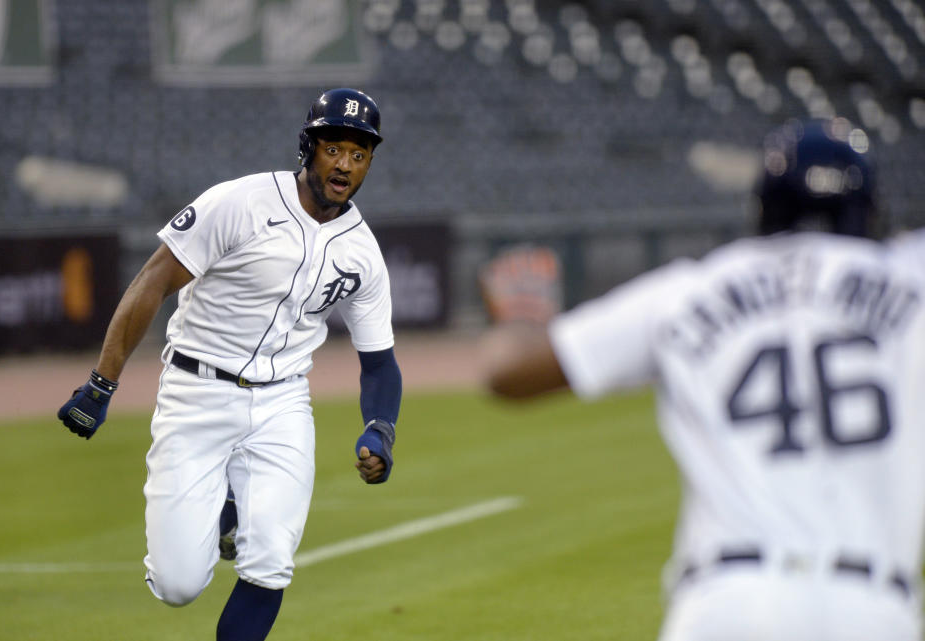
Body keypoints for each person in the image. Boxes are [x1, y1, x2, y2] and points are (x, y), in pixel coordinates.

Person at [480, 118, 925, 640]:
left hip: (729, 604)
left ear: (762, 205)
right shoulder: (911, 279)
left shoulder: (690, 289)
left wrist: (521, 312)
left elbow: (507, 371)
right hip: (870, 608)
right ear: (869, 209)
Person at [57, 87, 402, 641]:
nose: (345, 164)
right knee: (177, 584)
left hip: (283, 401)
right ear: (308, 148)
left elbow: (380, 363)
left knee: (270, 563)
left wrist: (380, 429)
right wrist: (102, 384)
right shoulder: (239, 203)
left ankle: (238, 508)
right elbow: (154, 281)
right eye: (334, 147)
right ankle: (227, 506)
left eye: (359, 154)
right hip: (197, 392)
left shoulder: (362, 251)